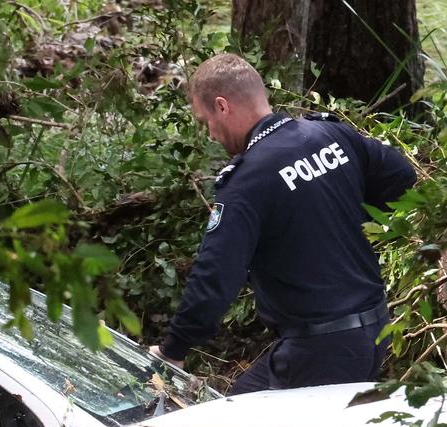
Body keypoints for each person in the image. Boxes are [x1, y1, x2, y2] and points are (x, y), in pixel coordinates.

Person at [148, 53, 416, 394]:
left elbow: (216, 273)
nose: (211, 134)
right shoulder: (330, 135)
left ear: (222, 106)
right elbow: (401, 176)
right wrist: (348, 220)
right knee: (241, 407)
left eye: (206, 122)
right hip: (374, 329)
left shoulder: (247, 182)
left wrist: (175, 349)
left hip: (321, 348)